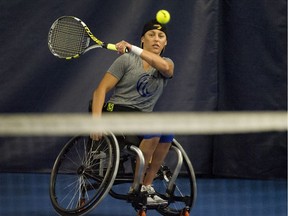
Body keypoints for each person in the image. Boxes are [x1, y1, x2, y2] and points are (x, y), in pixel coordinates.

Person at [90, 19, 174, 206]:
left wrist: (133, 47)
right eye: (151, 34)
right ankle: (136, 187)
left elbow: (167, 69)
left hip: (142, 119)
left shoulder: (167, 64)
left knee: (167, 131)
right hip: (117, 113)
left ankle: (146, 185)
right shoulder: (126, 60)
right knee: (155, 129)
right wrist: (95, 122)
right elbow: (100, 91)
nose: (156, 39)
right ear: (142, 39)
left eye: (161, 36)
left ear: (165, 43)